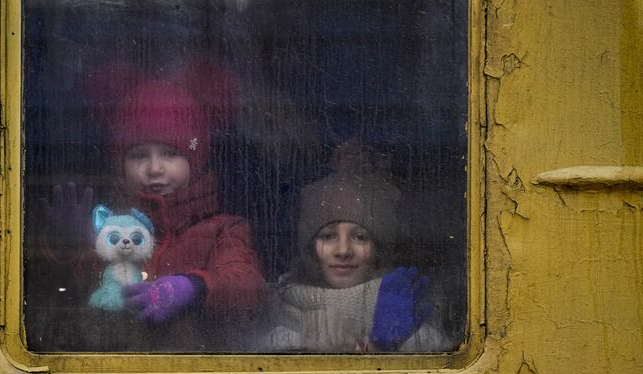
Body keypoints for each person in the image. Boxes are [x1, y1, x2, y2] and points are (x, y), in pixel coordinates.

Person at [33, 66, 265, 351]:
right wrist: (68, 248)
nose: (155, 169)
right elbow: (67, 296)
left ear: (197, 158)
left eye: (170, 153)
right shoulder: (107, 229)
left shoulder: (223, 229)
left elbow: (247, 285)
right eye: (139, 155)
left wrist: (194, 287)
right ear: (120, 165)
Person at [266, 170, 451, 353]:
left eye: (360, 237)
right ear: (311, 250)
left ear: (378, 249)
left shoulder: (417, 335)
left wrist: (377, 349)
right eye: (328, 236)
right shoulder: (282, 338)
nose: (343, 251)